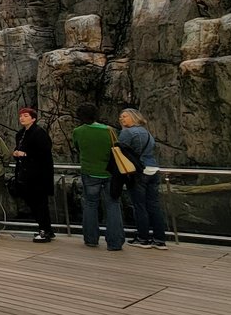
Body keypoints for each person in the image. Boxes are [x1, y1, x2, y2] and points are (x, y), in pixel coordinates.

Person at [71, 103, 122, 251]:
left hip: (89, 172)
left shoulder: (78, 131)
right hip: (109, 172)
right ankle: (115, 242)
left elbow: (77, 148)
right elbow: (116, 147)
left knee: (90, 204)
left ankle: (91, 239)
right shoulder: (109, 130)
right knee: (113, 204)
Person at [119, 108, 167, 249]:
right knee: (154, 205)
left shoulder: (127, 133)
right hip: (153, 169)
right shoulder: (147, 133)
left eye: (125, 116)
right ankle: (159, 239)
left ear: (134, 117)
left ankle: (143, 238)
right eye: (121, 117)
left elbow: (120, 151)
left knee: (139, 206)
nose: (121, 119)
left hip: (138, 171)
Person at [13, 106, 55, 242]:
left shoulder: (39, 133)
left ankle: (45, 230)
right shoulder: (20, 134)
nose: (22, 118)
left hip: (39, 175)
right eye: (21, 116)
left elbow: (44, 153)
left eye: (26, 116)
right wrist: (16, 153)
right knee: (33, 203)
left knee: (40, 203)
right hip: (25, 174)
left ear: (33, 118)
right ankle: (46, 228)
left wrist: (26, 154)